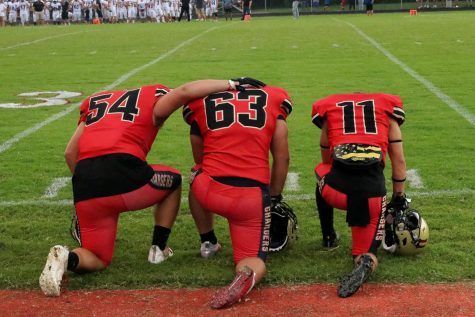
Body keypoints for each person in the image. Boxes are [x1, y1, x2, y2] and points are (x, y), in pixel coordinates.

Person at [182, 79, 292, 308]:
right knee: (252, 259)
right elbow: (282, 158)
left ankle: (208, 242)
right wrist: (274, 197)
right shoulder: (274, 100)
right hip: (250, 199)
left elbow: (198, 157)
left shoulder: (202, 103)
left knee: (196, 173)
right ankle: (246, 274)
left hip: (209, 189)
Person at [311, 92, 407, 298]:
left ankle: (329, 237)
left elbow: (326, 160)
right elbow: (398, 162)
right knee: (366, 252)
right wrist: (399, 198)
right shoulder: (388, 114)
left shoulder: (329, 111)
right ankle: (364, 262)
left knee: (321, 172)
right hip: (372, 196)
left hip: (335, 191)